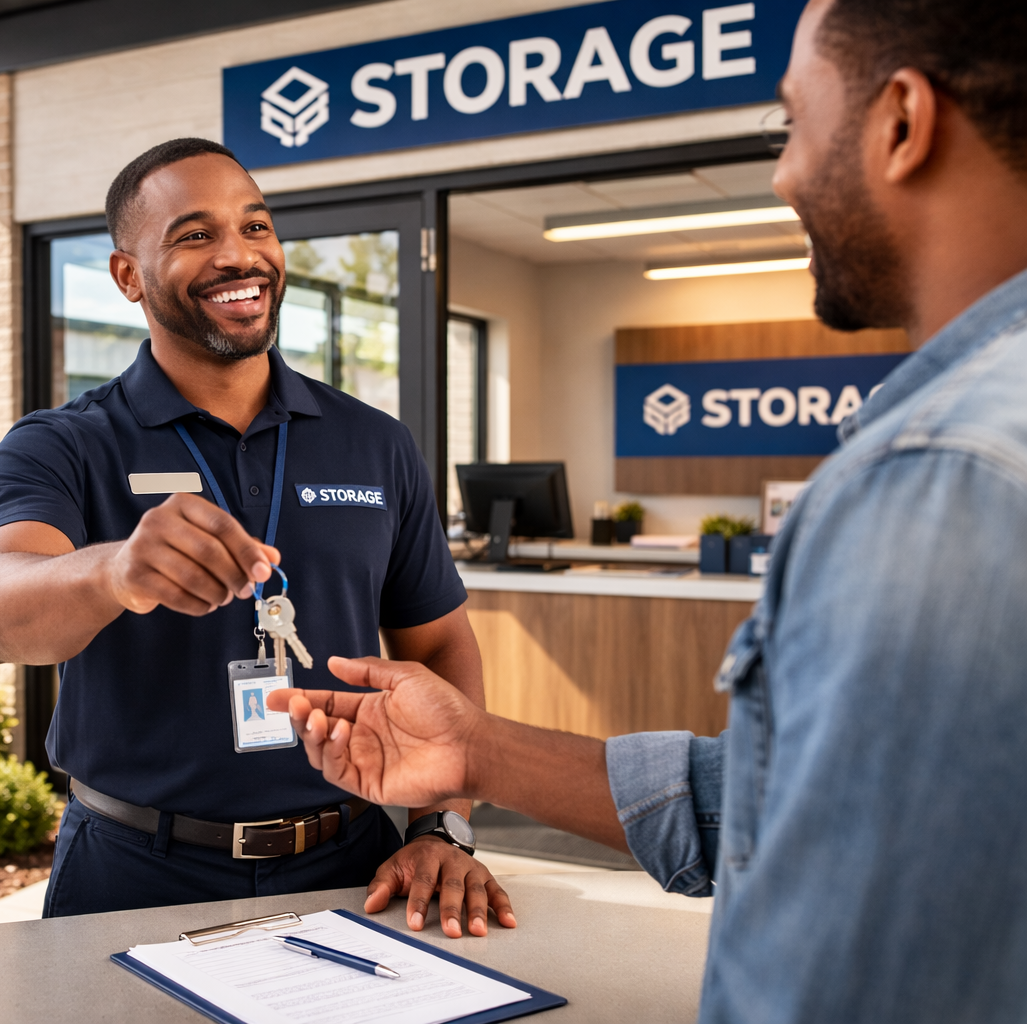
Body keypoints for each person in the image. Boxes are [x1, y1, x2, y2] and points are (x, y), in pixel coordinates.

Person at [268, 0, 1027, 1020]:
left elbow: (854, 961)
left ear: (902, 121)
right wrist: (482, 753)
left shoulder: (942, 471)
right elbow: (790, 805)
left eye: (791, 125)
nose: (784, 173)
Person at [0, 137, 513, 936]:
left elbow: (438, 644)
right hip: (131, 871)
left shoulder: (375, 442)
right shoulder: (64, 444)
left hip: (351, 861)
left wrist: (442, 825)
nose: (239, 256)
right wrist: (114, 572)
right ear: (127, 276)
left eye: (256, 228)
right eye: (195, 235)